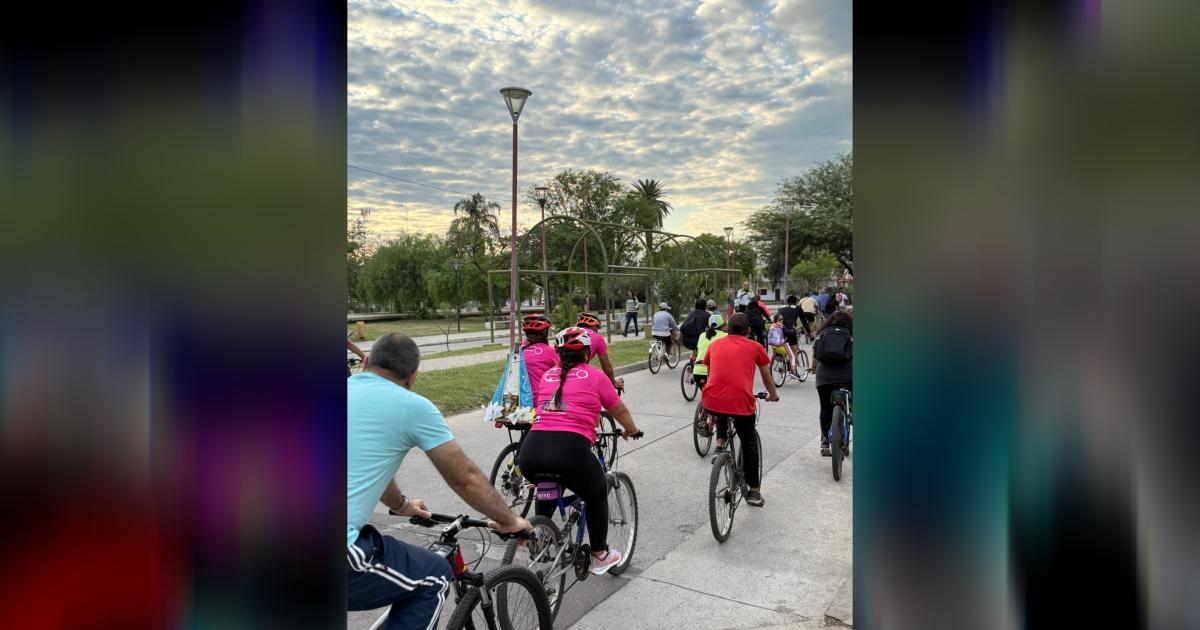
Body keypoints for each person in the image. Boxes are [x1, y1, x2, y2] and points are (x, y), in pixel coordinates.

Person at [348, 333, 533, 629]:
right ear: (413, 376)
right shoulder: (411, 406)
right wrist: (509, 521)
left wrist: (402, 505)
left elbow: (371, 466)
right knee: (433, 575)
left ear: (366, 361)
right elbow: (464, 476)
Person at [519, 327, 643, 575]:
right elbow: (618, 410)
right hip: (570, 453)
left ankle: (540, 536)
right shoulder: (596, 377)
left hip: (530, 453)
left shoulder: (548, 376)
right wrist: (632, 430)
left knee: (546, 487)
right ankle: (600, 554)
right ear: (587, 353)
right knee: (596, 492)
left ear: (558, 352)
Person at [702, 313, 779, 507]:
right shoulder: (755, 347)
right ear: (749, 330)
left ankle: (719, 445)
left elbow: (712, 375)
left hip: (711, 399)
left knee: (721, 405)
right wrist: (773, 394)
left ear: (727, 328)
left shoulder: (714, 345)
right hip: (740, 402)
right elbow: (766, 376)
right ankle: (754, 491)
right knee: (749, 441)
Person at [810, 311, 853, 457]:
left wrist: (814, 368)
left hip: (824, 377)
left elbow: (815, 357)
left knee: (825, 408)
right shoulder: (852, 335)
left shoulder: (821, 335)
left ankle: (824, 443)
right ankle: (852, 413)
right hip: (848, 376)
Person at [576, 312, 623, 391]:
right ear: (594, 326)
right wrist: (613, 382)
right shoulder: (597, 337)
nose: (597, 331)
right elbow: (606, 365)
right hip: (577, 373)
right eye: (597, 328)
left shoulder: (568, 334)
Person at [521, 313, 556, 400]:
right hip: (539, 397)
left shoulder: (519, 349)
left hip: (519, 397)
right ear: (544, 332)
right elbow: (561, 371)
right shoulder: (549, 351)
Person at [692, 312, 726, 391]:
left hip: (698, 372)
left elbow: (698, 350)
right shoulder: (725, 336)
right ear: (722, 326)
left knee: (707, 395)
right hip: (714, 373)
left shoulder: (702, 335)